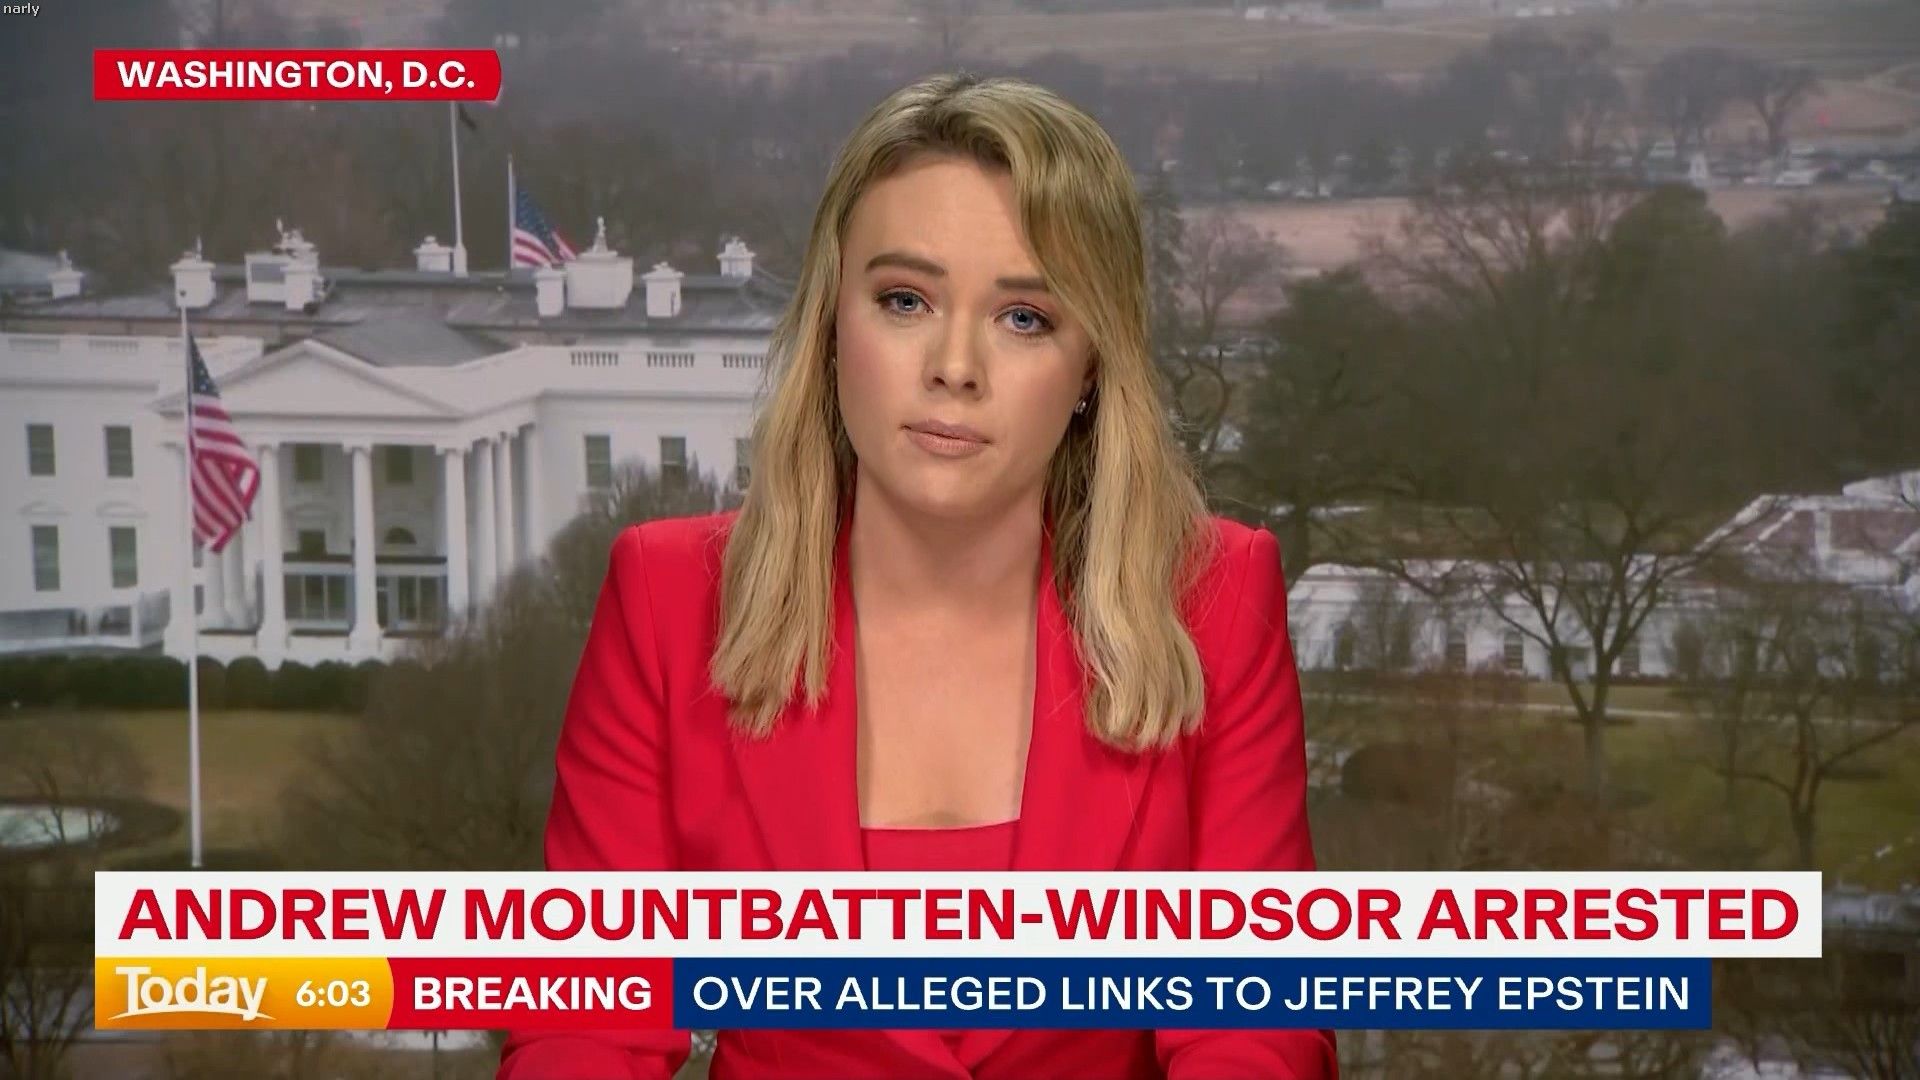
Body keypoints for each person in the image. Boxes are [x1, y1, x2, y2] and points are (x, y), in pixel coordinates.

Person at [498, 71, 1334, 1080]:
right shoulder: (666, 599)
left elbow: (1254, 1023)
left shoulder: (1216, 602)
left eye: (1024, 317)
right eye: (905, 300)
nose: (954, 366)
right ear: (831, 326)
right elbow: (588, 1023)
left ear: (1091, 368)